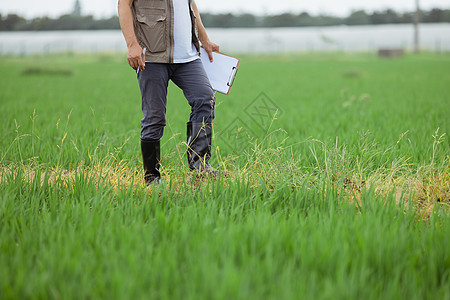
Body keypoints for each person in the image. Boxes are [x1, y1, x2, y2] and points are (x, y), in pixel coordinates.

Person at [118, 0, 220, 184]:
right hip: (151, 57)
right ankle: (151, 176)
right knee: (154, 116)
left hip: (188, 57)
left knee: (205, 98)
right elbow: (123, 4)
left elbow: (191, 7)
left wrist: (204, 39)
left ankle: (200, 167)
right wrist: (132, 45)